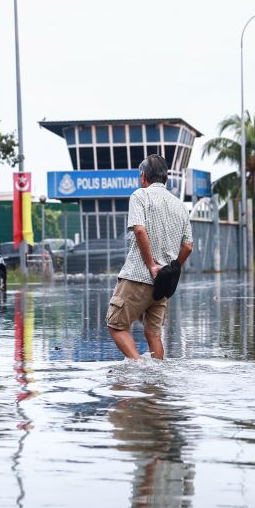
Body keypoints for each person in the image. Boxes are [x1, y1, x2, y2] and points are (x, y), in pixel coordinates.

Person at [105, 154, 193, 359]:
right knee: (153, 334)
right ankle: (156, 380)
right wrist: (171, 269)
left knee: (116, 325)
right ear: (166, 179)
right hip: (162, 284)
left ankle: (140, 367)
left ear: (143, 176)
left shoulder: (140, 196)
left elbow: (139, 230)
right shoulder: (180, 205)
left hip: (138, 276)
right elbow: (188, 246)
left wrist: (152, 265)